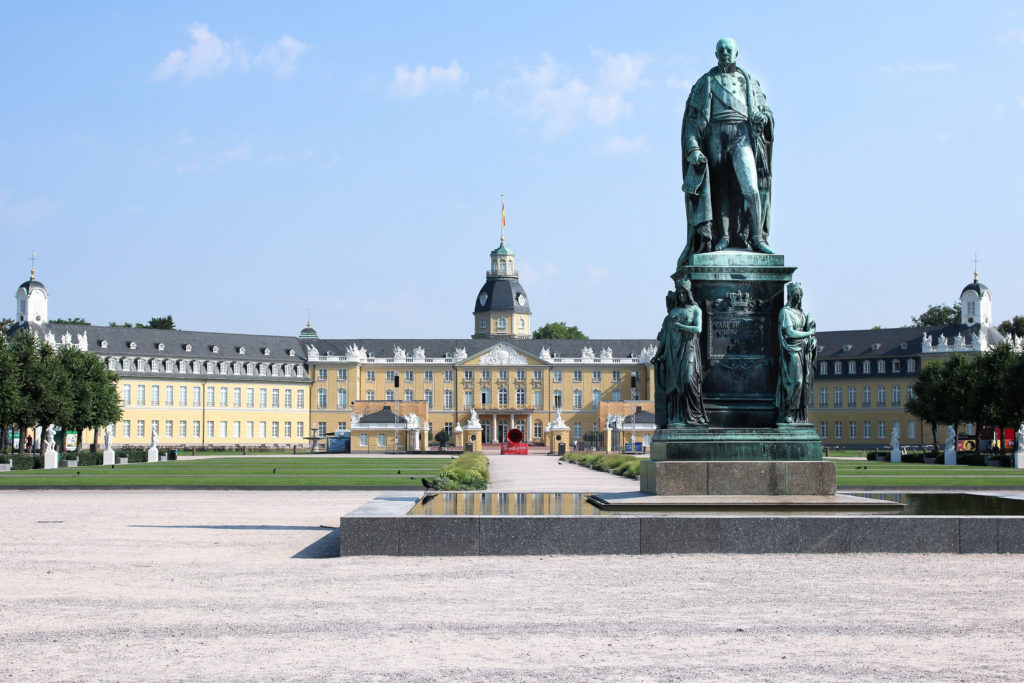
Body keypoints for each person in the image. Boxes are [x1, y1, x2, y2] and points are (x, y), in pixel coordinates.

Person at [679, 37, 774, 268]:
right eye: (721, 50)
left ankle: (757, 237)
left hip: (742, 136)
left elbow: (765, 110)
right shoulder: (705, 82)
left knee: (750, 188)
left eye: (729, 50)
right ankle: (722, 236)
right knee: (719, 190)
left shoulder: (749, 82)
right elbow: (691, 121)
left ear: (737, 53)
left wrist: (764, 118)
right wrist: (693, 149)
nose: (725, 53)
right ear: (715, 54)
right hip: (715, 135)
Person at [653, 280, 708, 427]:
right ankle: (678, 415)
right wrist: (658, 354)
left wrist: (681, 327)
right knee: (675, 385)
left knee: (688, 380)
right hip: (674, 350)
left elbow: (698, 329)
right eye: (680, 293)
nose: (682, 295)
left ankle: (695, 415)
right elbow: (666, 336)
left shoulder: (696, 310)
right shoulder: (673, 312)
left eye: (684, 293)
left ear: (689, 293)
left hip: (689, 347)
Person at [776, 282, 817, 423]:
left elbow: (809, 333)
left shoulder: (802, 314)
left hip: (804, 350)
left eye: (799, 295)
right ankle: (787, 412)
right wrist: (808, 333)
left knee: (803, 381)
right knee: (797, 381)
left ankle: (797, 414)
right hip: (791, 349)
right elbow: (790, 332)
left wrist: (813, 339)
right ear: (790, 295)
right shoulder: (785, 312)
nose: (797, 297)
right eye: (795, 295)